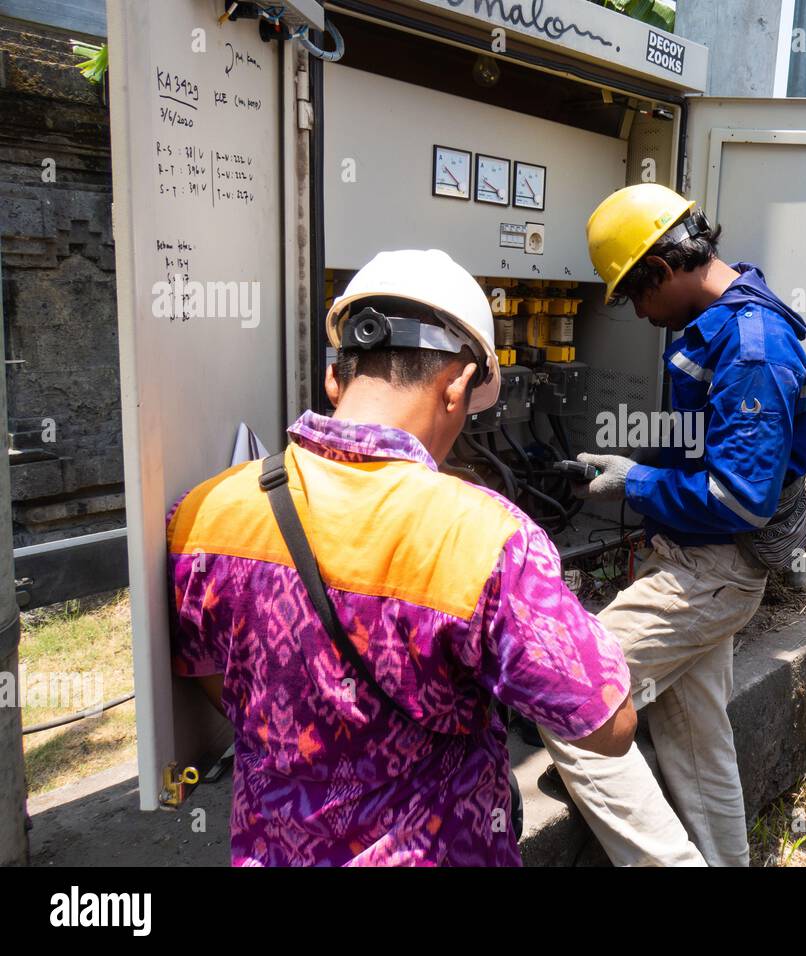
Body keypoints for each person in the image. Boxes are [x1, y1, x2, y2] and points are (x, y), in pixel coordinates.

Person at [167, 249, 636, 866]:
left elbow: (211, 676)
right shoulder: (489, 538)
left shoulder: (206, 512)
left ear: (336, 377)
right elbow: (608, 725)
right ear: (460, 386)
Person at [540, 183, 806, 866]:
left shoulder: (752, 349)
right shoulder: (726, 324)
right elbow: (712, 453)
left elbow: (738, 498)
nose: (638, 313)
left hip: (712, 573)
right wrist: (627, 467)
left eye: (636, 295)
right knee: (698, 748)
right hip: (699, 566)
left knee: (573, 693)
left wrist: (633, 483)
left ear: (663, 270)